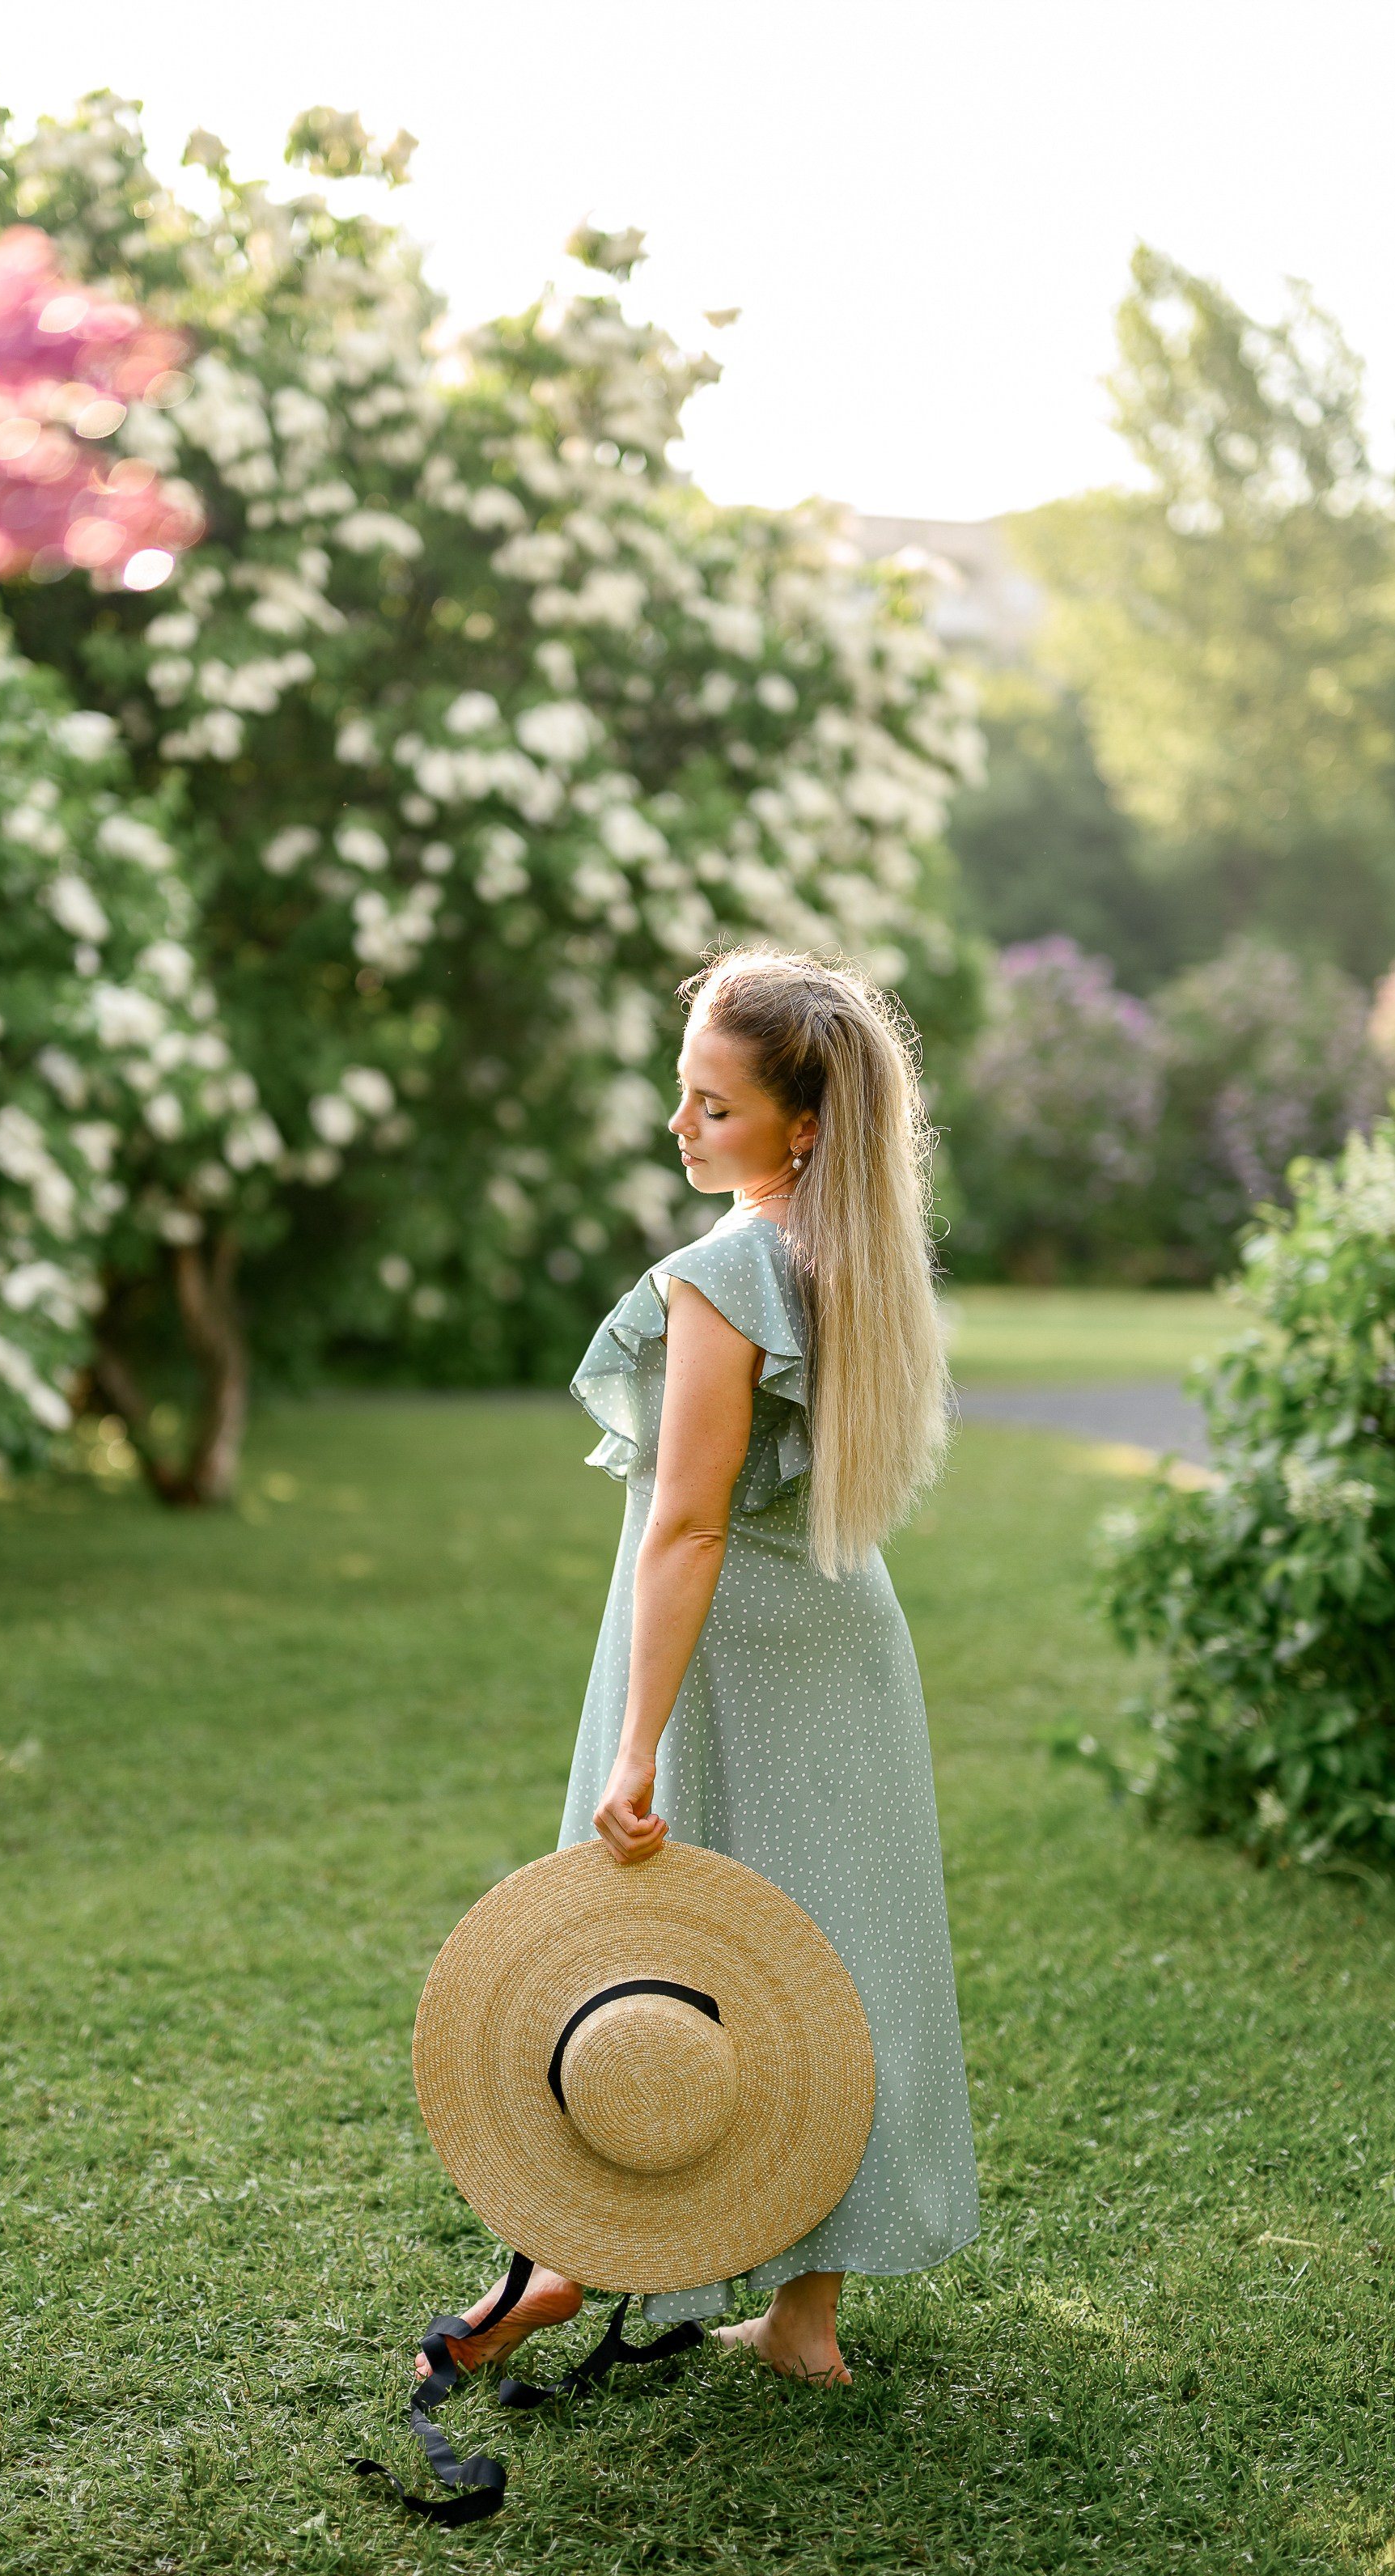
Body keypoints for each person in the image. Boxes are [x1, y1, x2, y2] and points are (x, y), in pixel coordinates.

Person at [421, 946, 978, 2385]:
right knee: (826, 1964)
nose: (680, 1127)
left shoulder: (729, 1271)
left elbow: (684, 1528)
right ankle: (803, 2321)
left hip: (730, 1651)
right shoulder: (848, 1252)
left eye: (713, 1107)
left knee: (635, 1940)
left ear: (800, 1125)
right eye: (681, 1097)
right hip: (846, 1648)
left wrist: (632, 1746)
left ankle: (563, 2253)